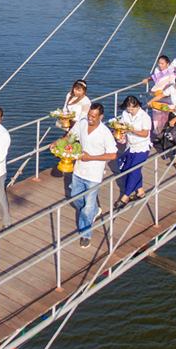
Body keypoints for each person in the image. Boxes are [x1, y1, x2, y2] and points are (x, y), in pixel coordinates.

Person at [70, 103, 118, 248]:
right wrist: (59, 142)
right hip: (78, 170)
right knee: (75, 198)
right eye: (89, 115)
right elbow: (71, 135)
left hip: (93, 175)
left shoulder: (105, 133)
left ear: (101, 117)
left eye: (94, 116)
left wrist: (91, 158)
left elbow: (113, 154)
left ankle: (86, 234)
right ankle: (95, 210)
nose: (90, 118)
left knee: (86, 209)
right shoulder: (82, 123)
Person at [115, 96, 152, 205]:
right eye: (129, 108)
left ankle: (125, 197)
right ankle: (140, 191)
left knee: (134, 170)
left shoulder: (145, 117)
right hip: (130, 146)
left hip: (142, 147)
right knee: (125, 169)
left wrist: (132, 130)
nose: (130, 111)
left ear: (138, 106)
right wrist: (120, 133)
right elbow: (121, 126)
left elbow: (145, 133)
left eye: (133, 108)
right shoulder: (125, 114)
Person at [149, 55, 175, 143]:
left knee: (164, 115)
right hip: (157, 95)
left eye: (162, 63)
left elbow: (172, 84)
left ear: (167, 64)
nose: (160, 65)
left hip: (166, 95)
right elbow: (156, 81)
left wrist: (165, 90)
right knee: (156, 114)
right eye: (159, 63)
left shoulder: (171, 73)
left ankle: (163, 133)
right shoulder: (157, 70)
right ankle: (157, 132)